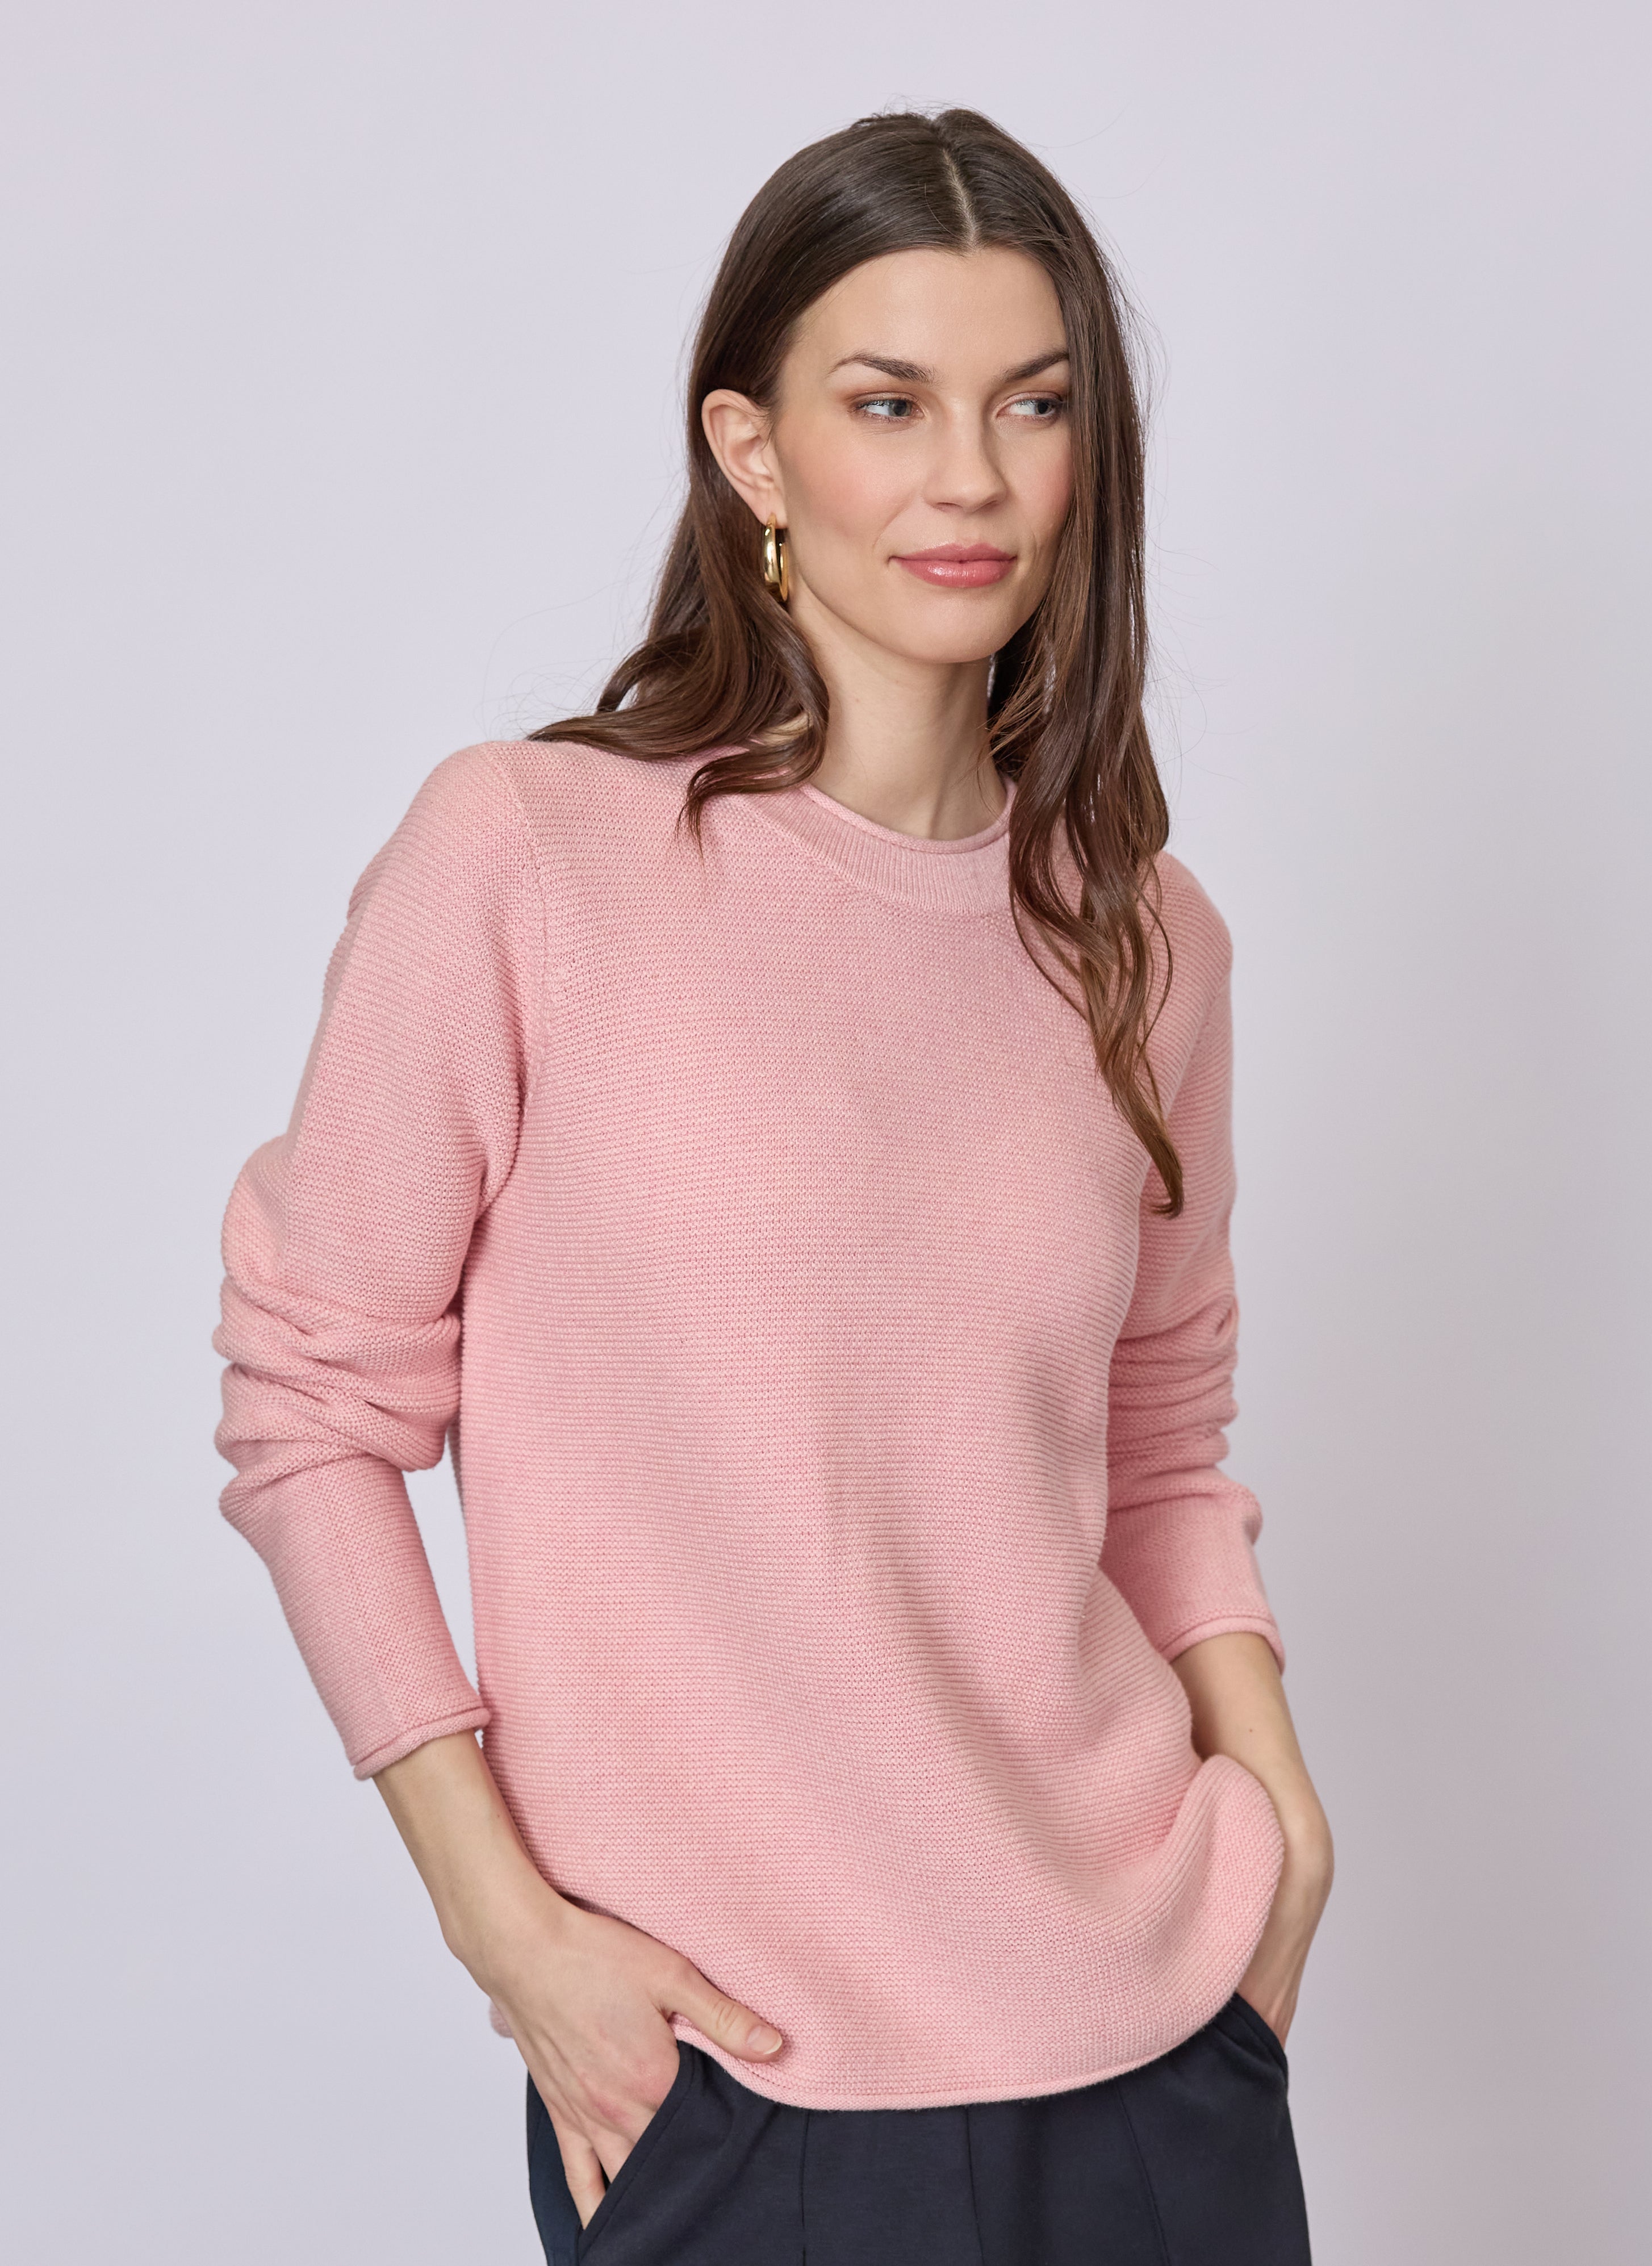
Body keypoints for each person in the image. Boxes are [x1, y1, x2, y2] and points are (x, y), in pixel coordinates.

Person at [214, 105, 1332, 2265]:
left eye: (1033, 405)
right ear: (750, 452)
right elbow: (312, 1412)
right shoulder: (527, 862)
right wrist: (502, 1924)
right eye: (886, 403)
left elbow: (1156, 1435)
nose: (970, 478)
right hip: (738, 2077)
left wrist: (1279, 1812)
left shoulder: (1144, 939)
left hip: (1154, 2043)